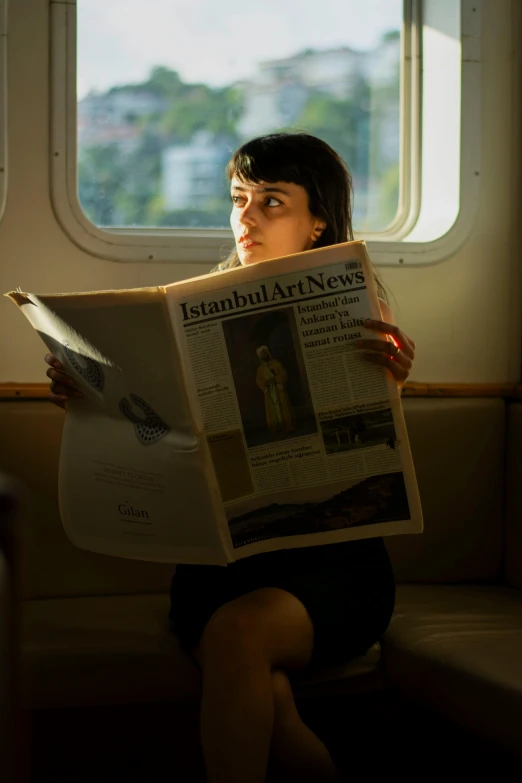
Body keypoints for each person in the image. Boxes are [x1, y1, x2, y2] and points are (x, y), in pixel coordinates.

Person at [44, 132, 416, 783]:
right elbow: (156, 433)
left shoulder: (358, 305)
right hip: (219, 567)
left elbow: (365, 442)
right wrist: (88, 395)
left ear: (318, 219)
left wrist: (395, 379)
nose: (246, 216)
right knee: (264, 690)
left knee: (237, 638)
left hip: (333, 568)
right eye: (239, 198)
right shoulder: (190, 310)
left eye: (271, 201)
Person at [255, 344, 295, 434]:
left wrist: (280, 382)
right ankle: (277, 427)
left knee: (282, 406)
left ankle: (287, 426)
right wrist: (264, 387)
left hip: (278, 389)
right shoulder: (260, 369)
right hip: (269, 391)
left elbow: (283, 373)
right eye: (262, 354)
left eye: (265, 353)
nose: (265, 355)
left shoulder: (276, 363)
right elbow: (259, 380)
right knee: (273, 410)